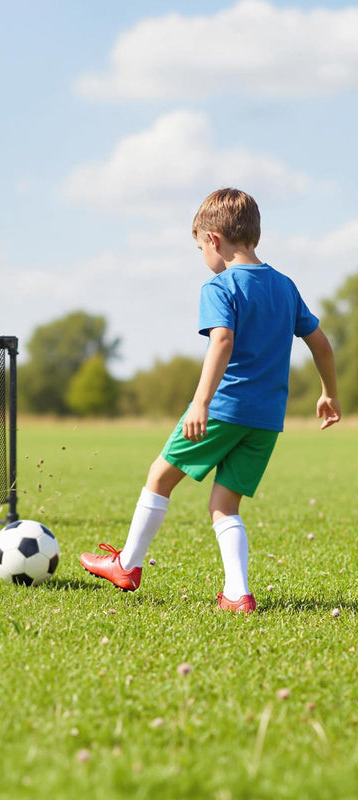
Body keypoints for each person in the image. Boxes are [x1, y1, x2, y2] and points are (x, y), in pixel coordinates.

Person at [80, 188, 341, 612]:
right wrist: (329, 392)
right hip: (266, 419)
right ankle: (237, 593)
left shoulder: (221, 285)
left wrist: (200, 402)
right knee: (224, 505)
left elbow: (222, 340)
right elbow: (322, 345)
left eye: (200, 246)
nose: (203, 254)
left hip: (223, 407)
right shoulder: (285, 286)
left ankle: (127, 565)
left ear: (213, 240)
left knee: (159, 477)